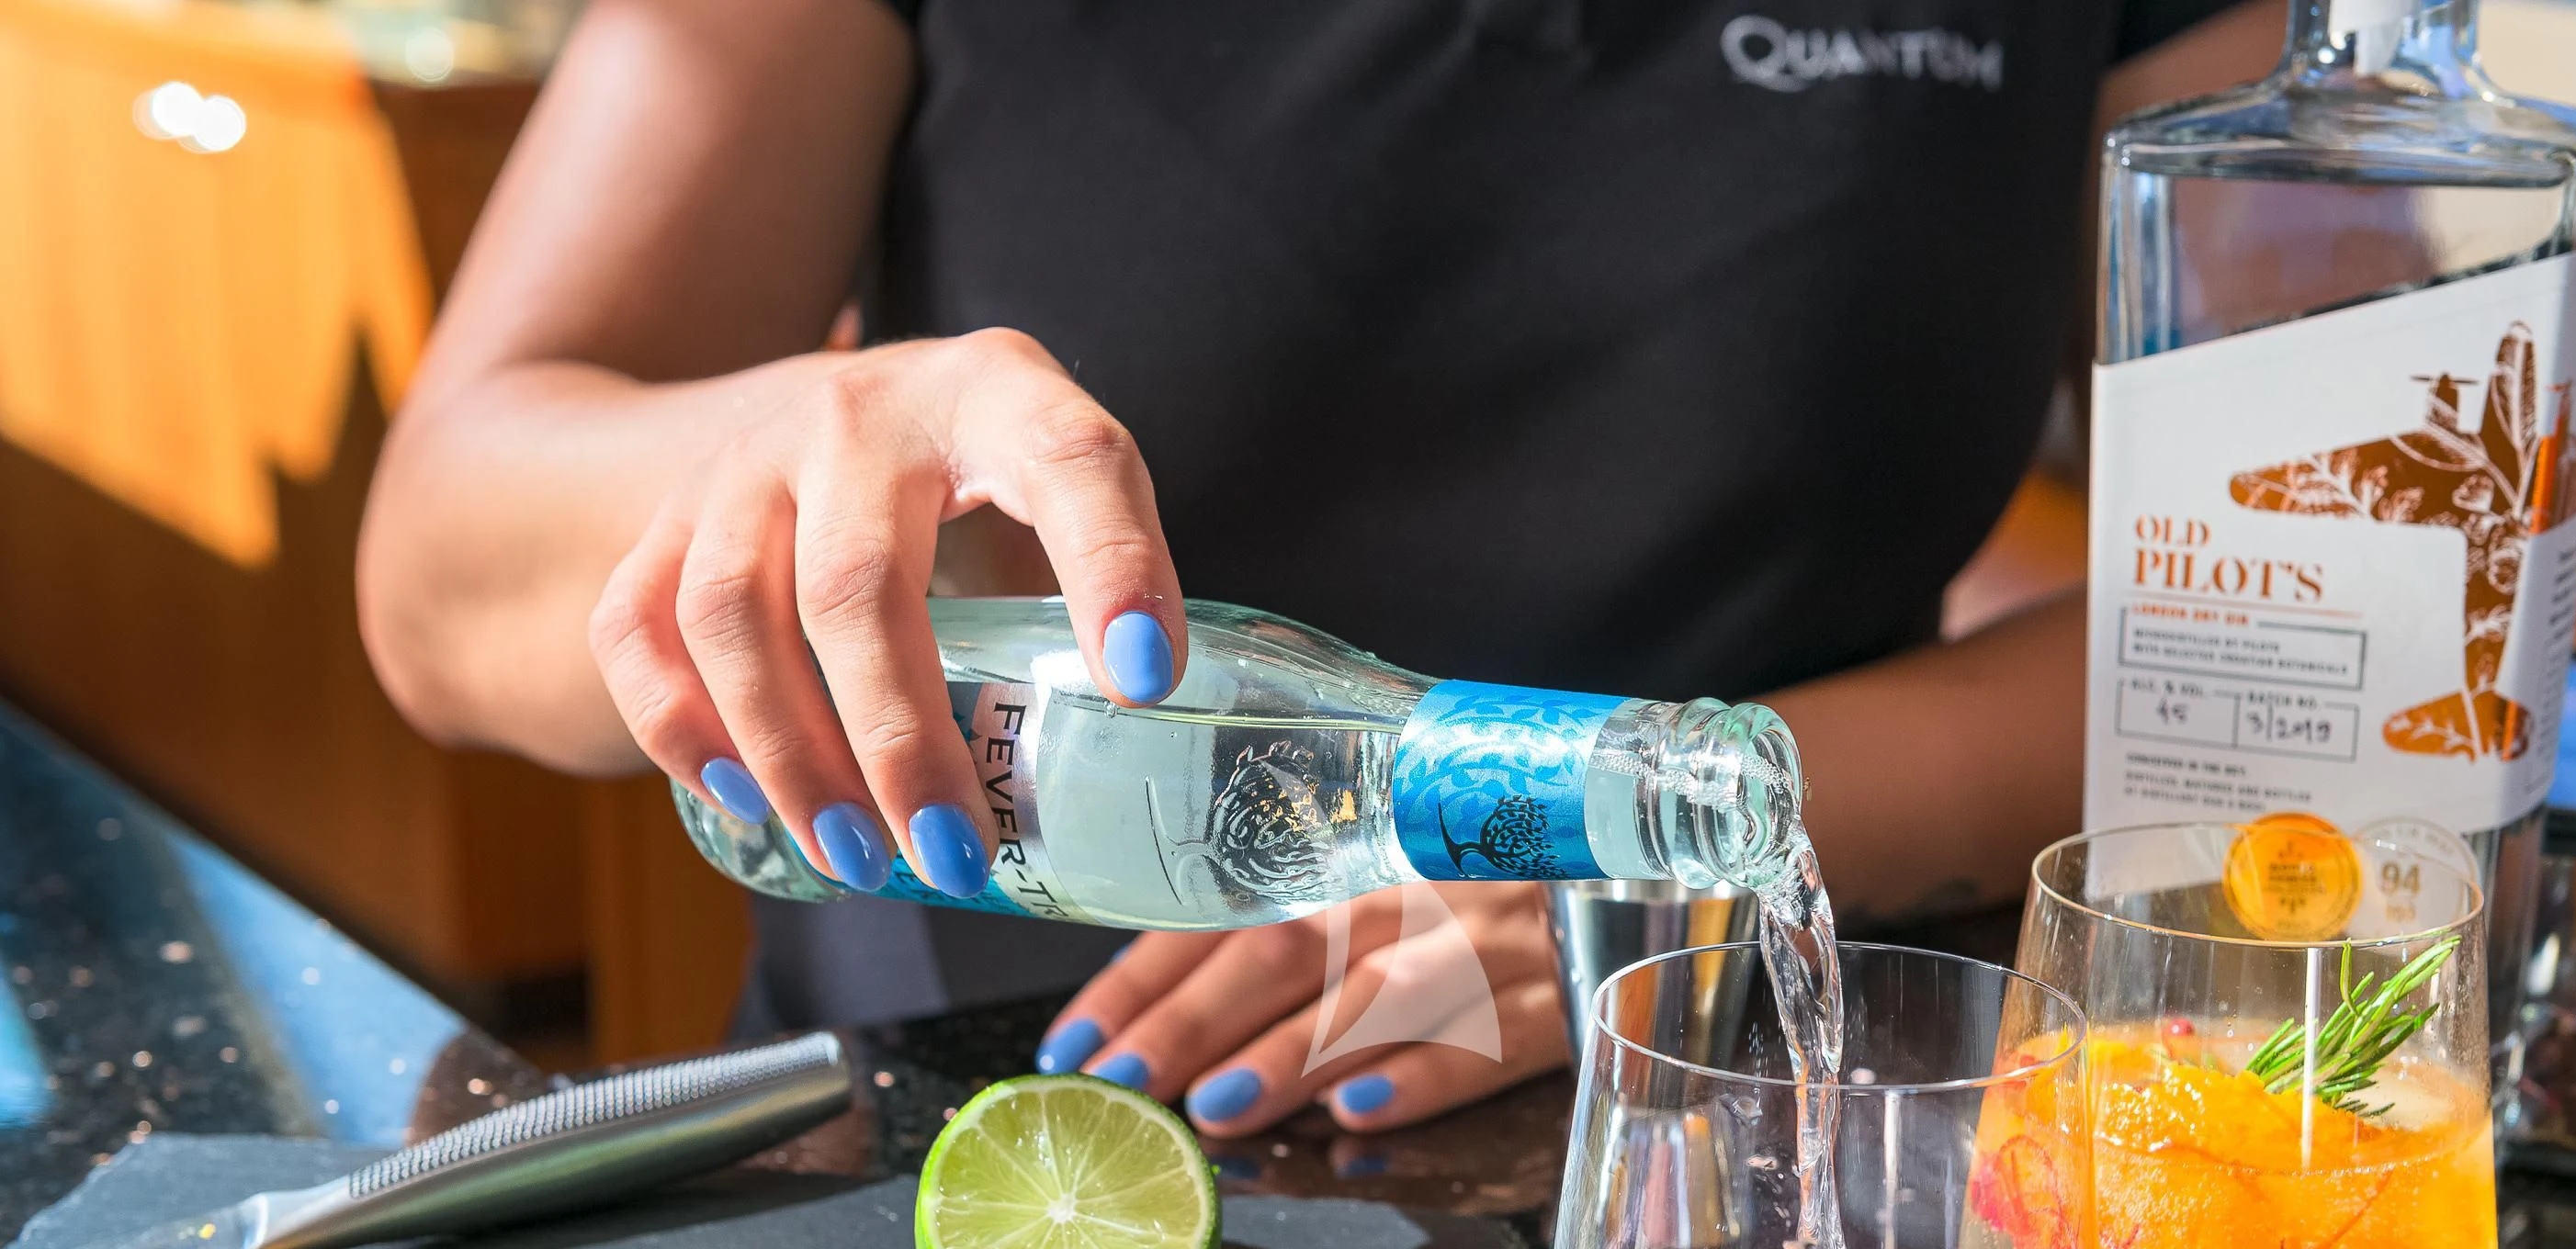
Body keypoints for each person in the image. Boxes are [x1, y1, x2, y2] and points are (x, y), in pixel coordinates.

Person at [360, 0, 2277, 1137]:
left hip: (1746, 1118)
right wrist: (768, 457)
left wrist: (1614, 873)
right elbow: (442, 578)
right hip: (975, 1135)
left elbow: (2278, 625)